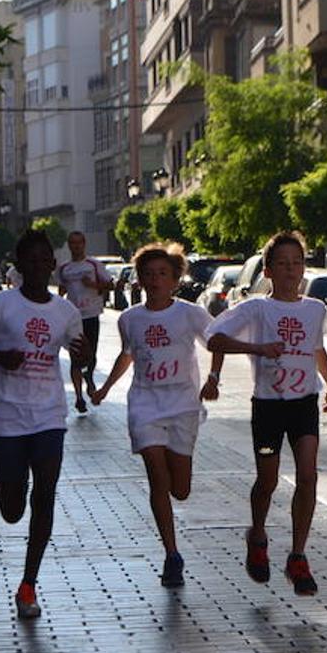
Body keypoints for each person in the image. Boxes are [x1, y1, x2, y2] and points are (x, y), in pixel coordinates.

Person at [205, 231, 327, 596]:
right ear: (268, 269)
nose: (290, 270)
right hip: (268, 406)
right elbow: (214, 339)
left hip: (303, 403)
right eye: (282, 264)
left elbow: (316, 349)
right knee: (267, 481)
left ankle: (298, 556)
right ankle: (257, 534)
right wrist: (257, 348)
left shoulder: (315, 308)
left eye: (297, 263)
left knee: (308, 475)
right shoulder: (256, 308)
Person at [0, 229, 84, 620]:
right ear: (18, 265)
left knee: (44, 494)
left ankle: (28, 583)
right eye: (28, 259)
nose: (36, 266)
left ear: (52, 265)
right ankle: (16, 494)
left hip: (49, 415)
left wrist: (84, 356)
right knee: (13, 510)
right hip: (8, 417)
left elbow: (79, 356)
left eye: (43, 259)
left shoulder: (66, 312)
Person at [92, 242, 212, 588]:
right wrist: (104, 388)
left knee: (181, 490)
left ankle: (173, 544)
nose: (155, 280)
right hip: (145, 404)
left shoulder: (190, 314)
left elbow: (217, 341)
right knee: (158, 480)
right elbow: (128, 356)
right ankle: (172, 554)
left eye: (163, 273)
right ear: (139, 280)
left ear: (176, 278)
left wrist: (214, 378)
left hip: (183, 406)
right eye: (148, 274)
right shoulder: (131, 319)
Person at [56, 230, 114, 414]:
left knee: (90, 355)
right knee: (75, 357)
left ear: (84, 244)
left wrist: (93, 285)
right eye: (72, 243)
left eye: (79, 243)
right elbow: (61, 289)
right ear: (69, 245)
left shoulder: (94, 264)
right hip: (73, 319)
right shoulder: (64, 268)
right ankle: (79, 397)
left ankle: (89, 376)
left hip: (91, 315)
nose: (76, 246)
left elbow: (110, 285)